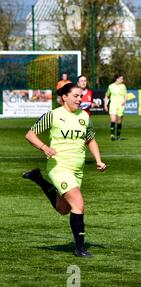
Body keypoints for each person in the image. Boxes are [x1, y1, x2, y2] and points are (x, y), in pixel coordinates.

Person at [22, 82, 107, 257]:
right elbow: (30, 134)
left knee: (63, 209)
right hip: (59, 167)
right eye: (75, 96)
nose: (79, 99)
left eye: (80, 96)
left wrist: (98, 160)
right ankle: (80, 248)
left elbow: (90, 140)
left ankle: (38, 178)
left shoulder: (84, 116)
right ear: (64, 97)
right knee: (78, 204)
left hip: (77, 170)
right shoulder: (53, 115)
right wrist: (45, 148)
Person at [104, 74, 127, 141]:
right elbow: (106, 96)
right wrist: (105, 105)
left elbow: (126, 95)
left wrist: (124, 101)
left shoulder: (123, 86)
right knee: (113, 120)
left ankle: (118, 136)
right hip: (113, 105)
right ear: (117, 79)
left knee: (119, 121)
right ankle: (112, 135)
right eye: (121, 79)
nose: (122, 80)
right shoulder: (111, 86)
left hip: (121, 106)